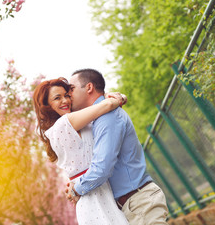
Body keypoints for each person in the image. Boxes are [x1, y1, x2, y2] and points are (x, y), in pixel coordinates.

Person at [65, 69, 169, 225]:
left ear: (89, 87)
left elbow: (102, 167)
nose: (68, 95)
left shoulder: (107, 116)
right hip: (132, 205)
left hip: (139, 203)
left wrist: (76, 189)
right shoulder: (99, 116)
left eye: (71, 89)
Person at [33, 77, 129, 224]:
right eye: (57, 98)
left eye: (66, 95)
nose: (65, 101)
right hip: (93, 198)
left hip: (97, 191)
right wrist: (120, 98)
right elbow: (108, 104)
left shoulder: (76, 123)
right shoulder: (63, 124)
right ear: (47, 105)